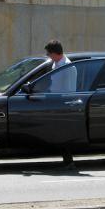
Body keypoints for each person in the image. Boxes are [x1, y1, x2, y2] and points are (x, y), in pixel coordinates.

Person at [44, 39, 77, 170]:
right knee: (58, 133)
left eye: (49, 54)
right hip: (54, 101)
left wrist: (63, 106)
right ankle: (67, 161)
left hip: (62, 104)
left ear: (55, 53)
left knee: (63, 134)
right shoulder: (56, 64)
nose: (48, 56)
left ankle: (69, 162)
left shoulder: (68, 66)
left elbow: (69, 90)